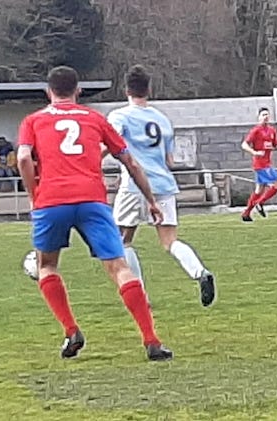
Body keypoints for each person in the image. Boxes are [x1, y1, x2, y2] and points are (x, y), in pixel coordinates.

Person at [17, 65, 173, 360]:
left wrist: (33, 195)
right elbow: (131, 162)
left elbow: (24, 157)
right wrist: (151, 200)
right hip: (92, 200)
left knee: (47, 265)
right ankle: (151, 340)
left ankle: (71, 330)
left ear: (48, 91)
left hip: (51, 201)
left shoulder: (33, 121)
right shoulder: (95, 118)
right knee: (119, 267)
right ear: (78, 91)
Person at [107, 65, 216, 307]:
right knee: (170, 241)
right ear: (149, 89)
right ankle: (200, 272)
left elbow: (111, 145)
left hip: (135, 185)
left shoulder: (119, 116)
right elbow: (169, 160)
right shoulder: (162, 120)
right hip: (164, 185)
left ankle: (140, 295)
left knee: (121, 241)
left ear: (126, 89)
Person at [241, 107, 277, 222]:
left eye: (267, 114)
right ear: (259, 117)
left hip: (266, 163)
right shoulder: (256, 130)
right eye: (263, 115)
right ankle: (260, 203)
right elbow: (244, 144)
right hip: (261, 165)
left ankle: (246, 214)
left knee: (259, 190)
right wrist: (254, 152)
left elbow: (274, 147)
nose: (265, 117)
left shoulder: (272, 131)